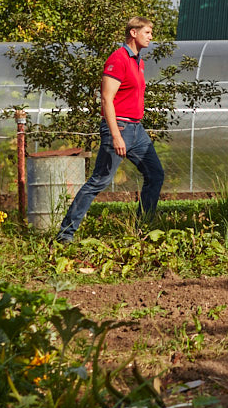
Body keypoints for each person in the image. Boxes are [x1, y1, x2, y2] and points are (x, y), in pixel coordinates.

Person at [56, 17, 165, 243]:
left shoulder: (138, 62)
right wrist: (116, 135)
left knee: (155, 175)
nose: (151, 36)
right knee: (99, 181)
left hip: (137, 129)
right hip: (121, 127)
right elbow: (106, 99)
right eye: (147, 32)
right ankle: (65, 235)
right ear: (133, 33)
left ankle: (141, 230)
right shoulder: (118, 59)